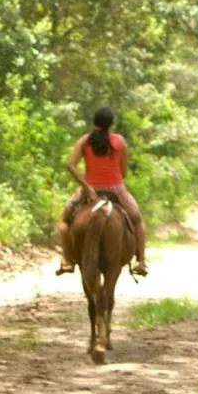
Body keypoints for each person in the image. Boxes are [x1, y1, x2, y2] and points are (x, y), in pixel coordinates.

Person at [56, 106, 148, 277]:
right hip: (116, 187)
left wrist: (86, 186)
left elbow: (70, 165)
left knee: (64, 220)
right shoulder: (119, 141)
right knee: (136, 219)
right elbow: (123, 173)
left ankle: (67, 260)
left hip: (89, 189)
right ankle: (141, 261)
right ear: (111, 123)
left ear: (94, 121)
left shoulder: (85, 140)